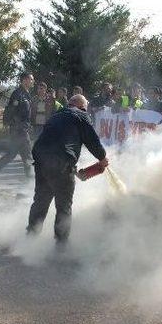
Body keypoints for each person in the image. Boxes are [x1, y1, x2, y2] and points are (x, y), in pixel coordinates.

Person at [27, 94, 108, 244]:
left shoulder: (56, 115)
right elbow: (92, 141)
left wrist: (72, 167)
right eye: (85, 108)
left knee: (41, 200)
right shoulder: (81, 116)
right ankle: (61, 243)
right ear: (81, 107)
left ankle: (31, 236)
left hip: (41, 160)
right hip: (61, 163)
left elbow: (60, 141)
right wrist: (102, 158)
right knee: (64, 205)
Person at [0, 72, 34, 184]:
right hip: (19, 131)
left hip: (22, 129)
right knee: (28, 157)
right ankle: (30, 184)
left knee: (11, 154)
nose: (32, 81)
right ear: (24, 80)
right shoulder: (18, 94)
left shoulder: (26, 94)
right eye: (30, 79)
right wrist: (17, 127)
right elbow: (11, 111)